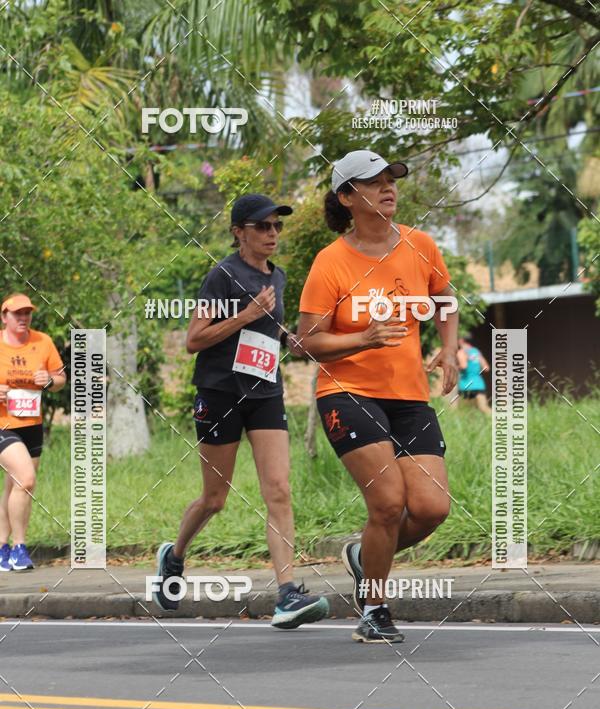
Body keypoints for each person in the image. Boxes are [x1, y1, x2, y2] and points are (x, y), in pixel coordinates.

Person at [297, 150, 458, 643]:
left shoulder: (420, 245)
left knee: (431, 507)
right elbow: (306, 339)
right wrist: (361, 339)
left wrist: (449, 350)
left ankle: (365, 557)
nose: (388, 188)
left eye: (391, 180)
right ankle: (374, 608)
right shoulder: (331, 263)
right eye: (373, 182)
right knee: (388, 504)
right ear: (347, 197)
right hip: (348, 392)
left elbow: (446, 300)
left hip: (409, 395)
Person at [153, 193, 329, 628]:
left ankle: (287, 593)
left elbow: (271, 329)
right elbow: (195, 338)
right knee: (215, 498)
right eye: (262, 227)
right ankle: (173, 556)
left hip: (266, 391)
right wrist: (245, 315)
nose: (272, 234)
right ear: (238, 232)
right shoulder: (222, 276)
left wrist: (288, 338)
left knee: (279, 490)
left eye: (277, 227)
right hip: (219, 394)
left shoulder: (281, 277)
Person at [0, 293, 66, 571]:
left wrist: (50, 380)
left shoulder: (43, 342)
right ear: (4, 317)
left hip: (32, 425)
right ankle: (20, 548)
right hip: (3, 424)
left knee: (15, 486)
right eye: (17, 314)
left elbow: (61, 379)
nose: (23, 318)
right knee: (26, 480)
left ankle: (2, 547)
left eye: (27, 313)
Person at [457, 335, 490, 414]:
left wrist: (454, 367)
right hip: (478, 384)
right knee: (484, 408)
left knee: (465, 412)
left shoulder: (461, 352)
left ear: (461, 340)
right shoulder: (476, 351)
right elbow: (486, 368)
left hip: (466, 385)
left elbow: (464, 366)